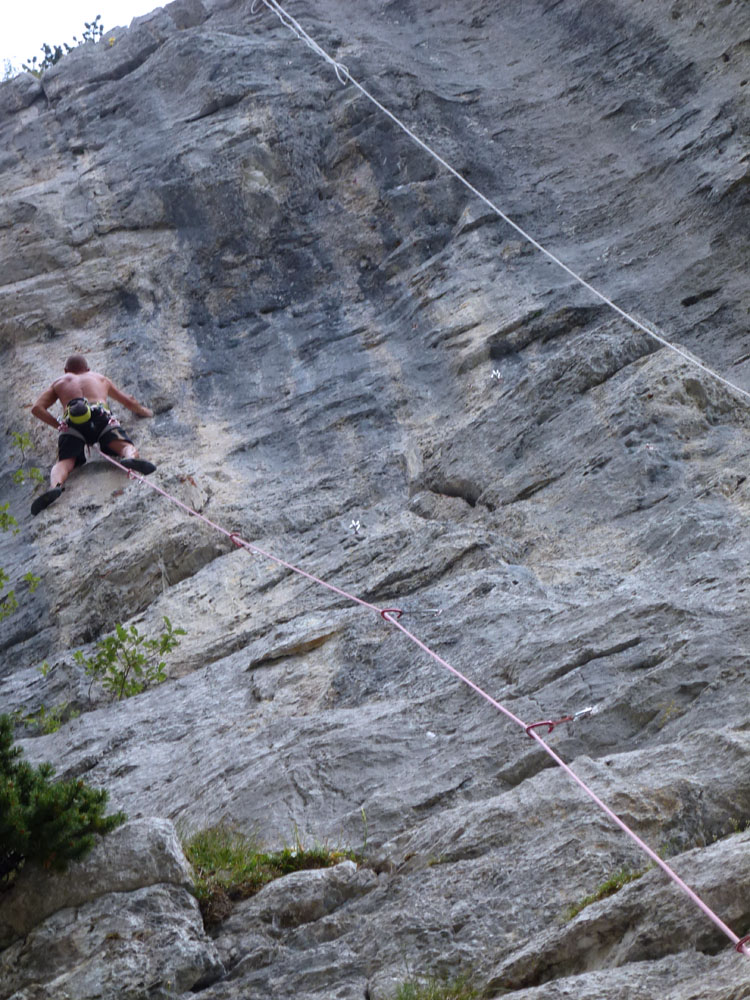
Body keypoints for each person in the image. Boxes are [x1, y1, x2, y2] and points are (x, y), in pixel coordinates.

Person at [30, 354, 157, 516]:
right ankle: (130, 457)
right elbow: (128, 401)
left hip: (72, 422)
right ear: (88, 369)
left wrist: (59, 425)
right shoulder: (99, 378)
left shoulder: (60, 382)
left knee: (65, 462)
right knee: (125, 446)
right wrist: (147, 412)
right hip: (100, 417)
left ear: (66, 370)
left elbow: (37, 408)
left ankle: (55, 485)